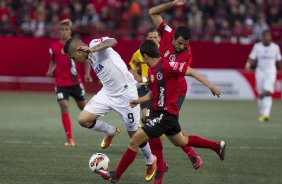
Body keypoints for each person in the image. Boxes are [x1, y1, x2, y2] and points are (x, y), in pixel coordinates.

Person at [99, 39, 226, 184]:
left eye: (143, 58)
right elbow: (154, 93)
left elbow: (189, 71)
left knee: (134, 140)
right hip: (162, 114)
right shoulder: (153, 71)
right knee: (182, 141)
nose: (143, 62)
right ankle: (217, 146)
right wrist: (138, 101)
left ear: (146, 55)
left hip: (164, 114)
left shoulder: (167, 65)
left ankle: (116, 175)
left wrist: (211, 86)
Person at [63, 37, 157, 182]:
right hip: (107, 93)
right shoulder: (89, 58)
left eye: (73, 57)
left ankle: (151, 161)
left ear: (79, 49)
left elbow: (113, 41)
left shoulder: (94, 44)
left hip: (126, 94)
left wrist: (92, 49)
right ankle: (111, 130)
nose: (74, 60)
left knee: (135, 134)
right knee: (83, 120)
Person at [148, 0, 203, 181]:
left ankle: (162, 166)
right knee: (160, 128)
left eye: (185, 45)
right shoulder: (167, 32)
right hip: (158, 88)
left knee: (163, 127)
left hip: (176, 91)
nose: (181, 47)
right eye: (179, 44)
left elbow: (177, 74)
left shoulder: (187, 54)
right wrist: (173, 4)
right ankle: (180, 157)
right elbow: (153, 12)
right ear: (173, 37)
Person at [46, 19, 92, 147]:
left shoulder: (75, 45)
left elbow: (87, 59)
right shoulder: (53, 47)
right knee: (64, 105)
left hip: (75, 82)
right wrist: (50, 70)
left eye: (67, 29)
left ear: (71, 32)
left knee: (85, 109)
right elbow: (53, 61)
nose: (64, 32)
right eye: (62, 29)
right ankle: (70, 139)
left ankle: (103, 129)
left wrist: (87, 74)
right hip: (60, 83)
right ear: (59, 32)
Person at [245, 30, 282, 122]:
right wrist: (248, 65)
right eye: (265, 36)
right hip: (260, 72)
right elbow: (252, 58)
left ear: (271, 37)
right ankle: (262, 113)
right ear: (262, 37)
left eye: (268, 36)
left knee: (268, 91)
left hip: (270, 72)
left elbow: (279, 60)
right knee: (261, 93)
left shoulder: (275, 47)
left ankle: (266, 114)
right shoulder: (257, 47)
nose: (266, 38)